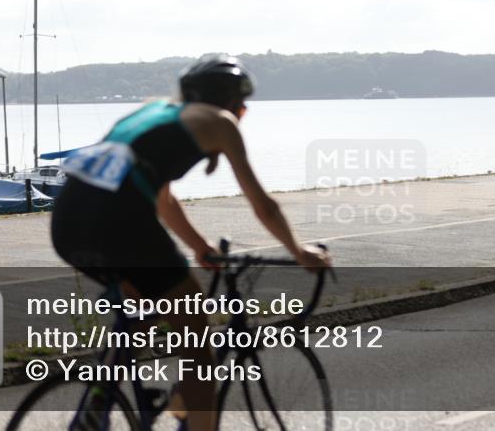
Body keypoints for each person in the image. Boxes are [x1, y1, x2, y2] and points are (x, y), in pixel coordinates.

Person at [51, 53, 331, 431]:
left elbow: (163, 199)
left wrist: (199, 246)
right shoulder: (220, 121)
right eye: (242, 104)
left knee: (141, 309)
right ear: (232, 102)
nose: (243, 111)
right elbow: (263, 206)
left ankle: (98, 406)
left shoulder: (151, 111)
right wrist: (300, 252)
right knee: (198, 341)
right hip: (120, 224)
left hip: (67, 222)